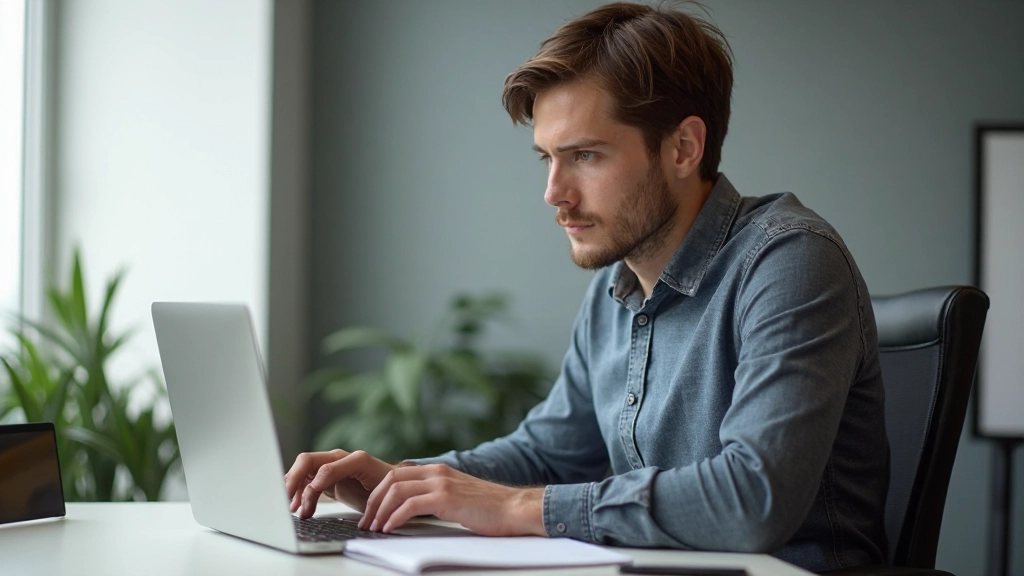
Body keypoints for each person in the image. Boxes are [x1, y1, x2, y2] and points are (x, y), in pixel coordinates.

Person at [285, 3, 889, 571]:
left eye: (586, 156)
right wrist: (405, 481)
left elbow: (751, 501)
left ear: (684, 147)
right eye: (546, 157)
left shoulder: (789, 261)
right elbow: (547, 453)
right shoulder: (615, 289)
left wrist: (519, 508)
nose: (554, 193)